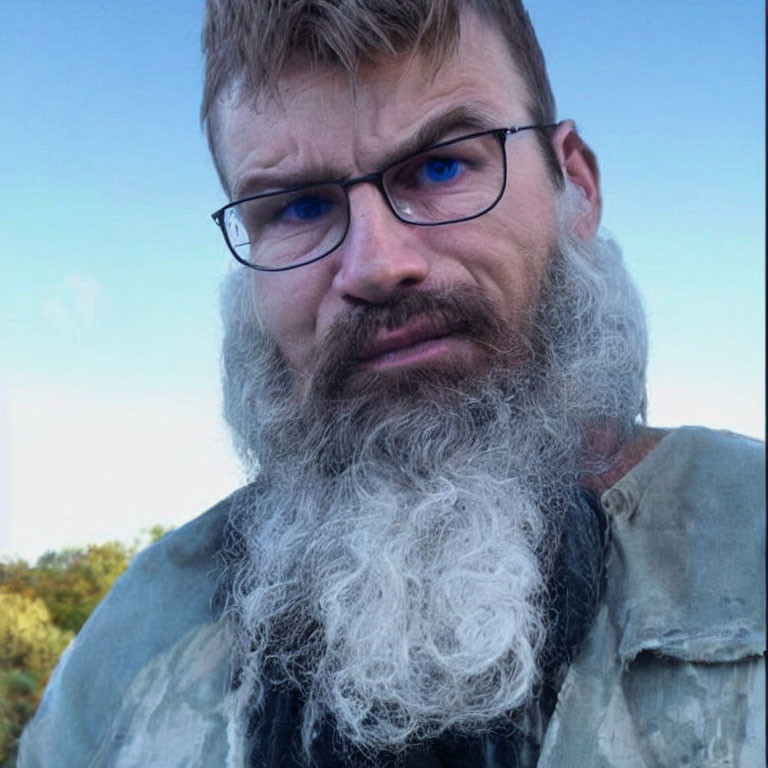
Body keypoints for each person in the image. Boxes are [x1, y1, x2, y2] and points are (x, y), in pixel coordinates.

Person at [19, 1, 765, 766]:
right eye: (300, 207)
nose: (377, 266)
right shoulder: (129, 651)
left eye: (442, 165)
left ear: (573, 185)